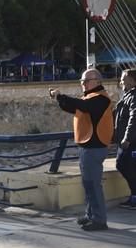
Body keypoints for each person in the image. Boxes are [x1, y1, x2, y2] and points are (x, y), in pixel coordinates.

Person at [49, 68, 113, 231]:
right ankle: (91, 215)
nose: (82, 84)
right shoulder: (90, 98)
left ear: (97, 82)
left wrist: (61, 96)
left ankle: (99, 220)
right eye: (81, 81)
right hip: (88, 147)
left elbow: (81, 105)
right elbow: (74, 107)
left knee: (93, 185)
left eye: (86, 80)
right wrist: (59, 99)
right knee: (88, 184)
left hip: (94, 148)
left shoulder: (100, 99)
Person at [114, 69, 136, 209]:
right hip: (128, 140)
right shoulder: (128, 95)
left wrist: (127, 138)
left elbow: (134, 118)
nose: (121, 81)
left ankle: (134, 197)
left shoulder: (134, 96)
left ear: (132, 80)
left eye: (123, 78)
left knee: (123, 164)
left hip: (131, 142)